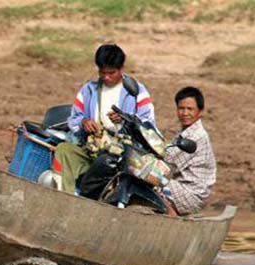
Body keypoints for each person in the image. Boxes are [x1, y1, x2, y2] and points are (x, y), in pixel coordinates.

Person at [54, 44, 155, 193]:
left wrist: (125, 120)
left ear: (122, 69)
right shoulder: (88, 90)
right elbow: (74, 118)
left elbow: (148, 123)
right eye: (102, 73)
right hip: (92, 148)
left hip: (123, 154)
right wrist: (84, 122)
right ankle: (65, 197)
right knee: (64, 150)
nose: (106, 77)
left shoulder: (137, 91)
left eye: (111, 73)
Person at [162, 86, 216, 215]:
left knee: (151, 181)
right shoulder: (186, 132)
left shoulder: (195, 136)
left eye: (190, 109)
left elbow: (167, 162)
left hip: (191, 194)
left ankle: (172, 218)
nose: (185, 113)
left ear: (200, 111)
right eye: (181, 108)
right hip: (185, 189)